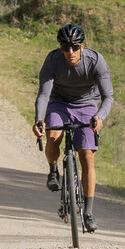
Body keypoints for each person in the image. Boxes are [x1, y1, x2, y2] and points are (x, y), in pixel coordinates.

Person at [32, 22, 112, 233]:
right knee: (53, 138)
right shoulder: (52, 60)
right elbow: (44, 94)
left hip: (87, 105)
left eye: (74, 47)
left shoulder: (96, 61)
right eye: (65, 47)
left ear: (82, 46)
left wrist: (99, 116)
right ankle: (53, 171)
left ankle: (88, 212)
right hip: (59, 102)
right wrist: (39, 119)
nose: (70, 52)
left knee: (87, 156)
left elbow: (108, 97)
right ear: (60, 48)